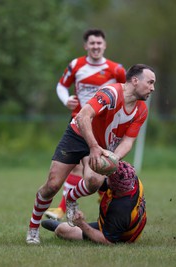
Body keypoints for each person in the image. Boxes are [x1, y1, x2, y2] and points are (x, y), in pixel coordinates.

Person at [26, 64, 156, 245]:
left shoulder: (141, 109)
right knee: (52, 185)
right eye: (150, 82)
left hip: (101, 146)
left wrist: (114, 159)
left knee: (94, 181)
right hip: (78, 135)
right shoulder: (111, 93)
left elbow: (128, 141)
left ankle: (71, 197)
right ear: (135, 81)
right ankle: (33, 229)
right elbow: (83, 116)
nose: (152, 88)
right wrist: (93, 146)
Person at [45, 28, 126, 221]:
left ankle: (105, 200)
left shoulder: (117, 70)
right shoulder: (76, 65)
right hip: (79, 122)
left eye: (99, 43)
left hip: (104, 127)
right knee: (77, 168)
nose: (96, 46)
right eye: (92, 43)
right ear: (86, 45)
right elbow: (61, 85)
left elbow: (127, 92)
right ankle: (62, 208)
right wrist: (66, 100)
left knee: (100, 169)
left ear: (104, 45)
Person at [41, 161, 147, 244]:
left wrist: (82, 224)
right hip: (128, 225)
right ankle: (65, 225)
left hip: (122, 235)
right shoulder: (131, 179)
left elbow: (107, 241)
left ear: (116, 187)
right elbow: (100, 183)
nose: (106, 177)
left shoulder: (120, 208)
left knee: (62, 230)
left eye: (109, 177)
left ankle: (61, 227)